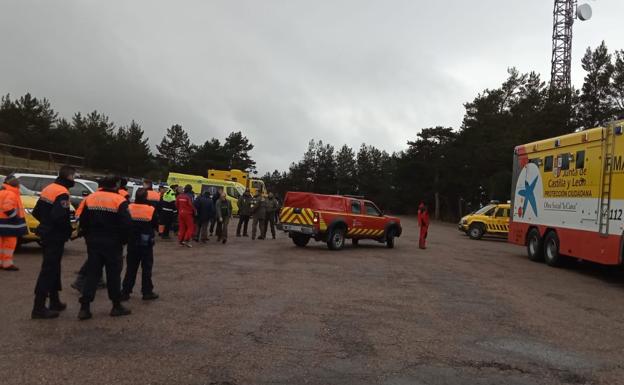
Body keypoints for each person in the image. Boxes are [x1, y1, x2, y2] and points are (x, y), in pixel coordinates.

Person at [78, 175, 131, 320]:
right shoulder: (119, 200)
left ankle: (85, 307)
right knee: (113, 275)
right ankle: (116, 305)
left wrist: (88, 237)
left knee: (92, 275)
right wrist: (123, 241)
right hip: (113, 243)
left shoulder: (91, 198)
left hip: (94, 242)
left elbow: (83, 220)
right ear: (115, 185)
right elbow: (126, 224)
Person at [31, 166, 76, 319]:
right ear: (69, 176)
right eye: (74, 176)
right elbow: (59, 217)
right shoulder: (62, 192)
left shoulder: (49, 188)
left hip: (46, 234)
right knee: (49, 270)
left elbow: (36, 211)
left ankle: (54, 300)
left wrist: (44, 225)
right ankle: (38, 307)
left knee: (54, 268)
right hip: (55, 236)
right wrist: (68, 230)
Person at [121, 188, 159, 301]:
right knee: (146, 268)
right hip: (146, 243)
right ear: (146, 198)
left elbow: (125, 223)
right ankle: (147, 292)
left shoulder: (129, 207)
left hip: (132, 242)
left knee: (131, 268)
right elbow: (155, 224)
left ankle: (125, 292)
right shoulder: (151, 209)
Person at [0, 174, 27, 271]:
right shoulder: (11, 193)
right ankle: (7, 264)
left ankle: (1, 262)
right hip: (9, 224)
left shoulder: (2, 192)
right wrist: (15, 218)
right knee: (9, 245)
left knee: (1, 244)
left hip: (2, 223)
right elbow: (8, 208)